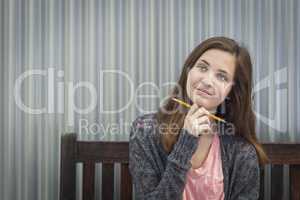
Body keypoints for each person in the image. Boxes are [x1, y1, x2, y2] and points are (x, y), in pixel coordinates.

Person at [129, 36, 268, 200]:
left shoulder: (242, 152)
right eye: (202, 68)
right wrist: (186, 141)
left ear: (232, 90)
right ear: (189, 71)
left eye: (222, 77)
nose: (208, 81)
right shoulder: (144, 131)